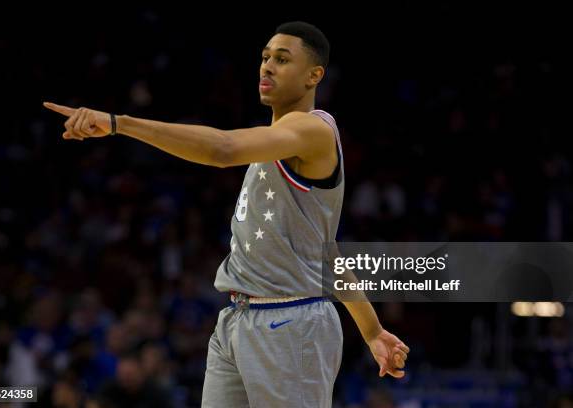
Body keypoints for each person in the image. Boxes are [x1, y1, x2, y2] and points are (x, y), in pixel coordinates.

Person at [44, 21, 409, 408]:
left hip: (289, 321)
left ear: (314, 75)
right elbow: (322, 250)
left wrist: (120, 124)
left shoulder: (311, 130)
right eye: (265, 57)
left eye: (282, 60)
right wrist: (371, 330)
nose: (267, 66)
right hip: (237, 318)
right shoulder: (274, 143)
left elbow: (222, 149)